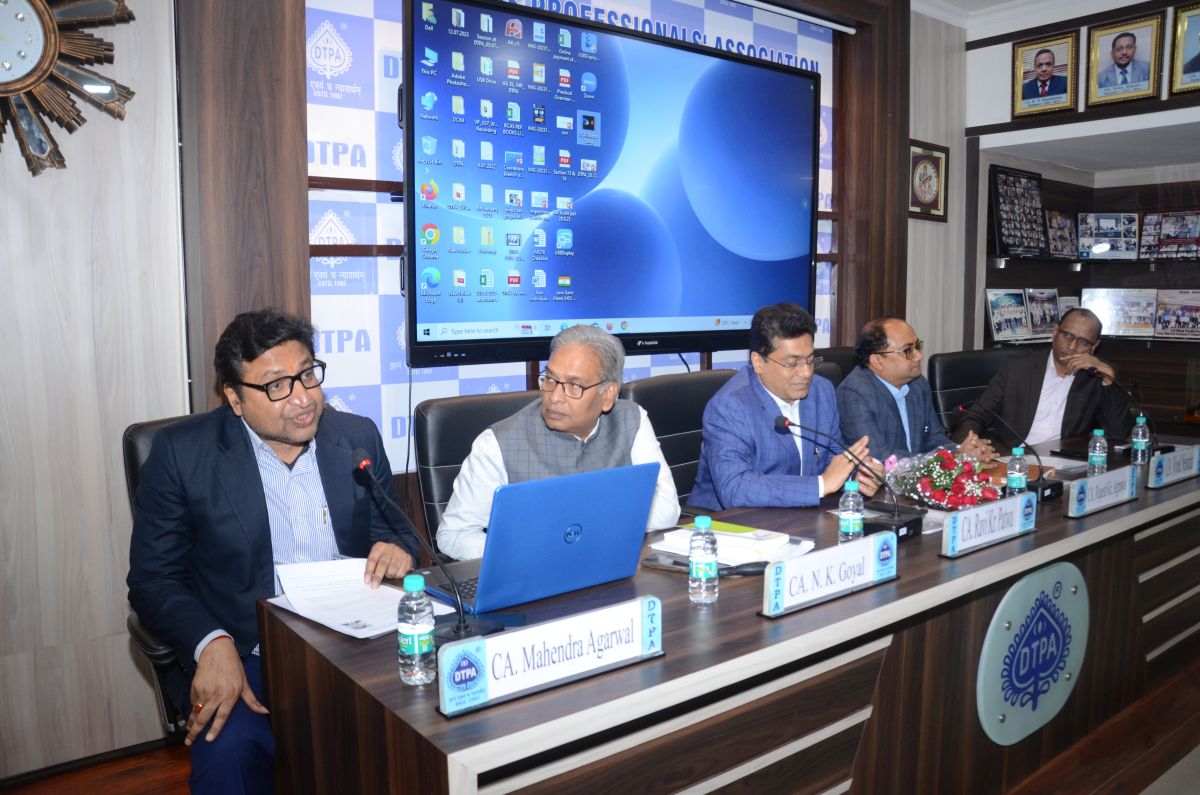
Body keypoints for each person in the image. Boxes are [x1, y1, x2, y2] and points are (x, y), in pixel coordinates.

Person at [128, 309, 421, 794]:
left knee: (422, 730)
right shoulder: (182, 454)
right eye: (276, 386)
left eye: (307, 374)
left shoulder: (356, 436)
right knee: (228, 753)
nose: (303, 398)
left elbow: (399, 533)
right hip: (246, 650)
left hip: (353, 641)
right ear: (234, 397)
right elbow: (152, 580)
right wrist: (211, 643)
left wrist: (397, 550)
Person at [436, 324, 680, 561]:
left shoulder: (632, 420)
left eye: (574, 386)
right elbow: (453, 535)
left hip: (613, 566)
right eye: (550, 380)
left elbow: (666, 509)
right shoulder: (497, 443)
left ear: (607, 396)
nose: (554, 397)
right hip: (530, 575)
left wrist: (582, 532)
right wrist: (529, 552)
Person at [689, 303, 881, 511]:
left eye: (810, 360)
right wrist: (821, 485)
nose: (806, 373)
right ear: (758, 362)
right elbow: (734, 488)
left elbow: (833, 460)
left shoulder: (821, 391)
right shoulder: (730, 406)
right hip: (729, 523)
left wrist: (859, 475)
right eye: (792, 364)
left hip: (798, 517)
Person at [953, 308, 1134, 448]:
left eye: (1083, 342)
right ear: (1055, 332)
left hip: (1066, 462)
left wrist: (1108, 380)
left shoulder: (1096, 376)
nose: (1072, 347)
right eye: (1067, 335)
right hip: (1013, 457)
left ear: (1094, 347)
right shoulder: (1017, 368)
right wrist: (969, 445)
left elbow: (1119, 433)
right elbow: (975, 416)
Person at [837, 318, 996, 464]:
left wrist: (962, 451)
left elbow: (935, 439)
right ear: (877, 361)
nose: (919, 356)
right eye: (908, 350)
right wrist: (951, 458)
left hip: (919, 479)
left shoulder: (918, 385)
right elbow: (880, 458)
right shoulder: (854, 393)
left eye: (917, 347)